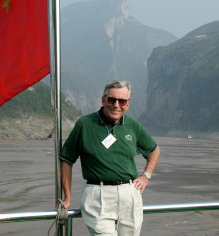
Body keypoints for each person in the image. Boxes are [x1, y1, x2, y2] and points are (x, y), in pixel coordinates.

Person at [60, 80, 160, 236]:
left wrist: (146, 175)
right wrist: (67, 195)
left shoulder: (133, 125)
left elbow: (154, 150)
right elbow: (66, 159)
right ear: (103, 100)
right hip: (98, 194)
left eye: (122, 101)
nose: (116, 105)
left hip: (130, 194)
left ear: (128, 104)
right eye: (112, 99)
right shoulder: (85, 124)